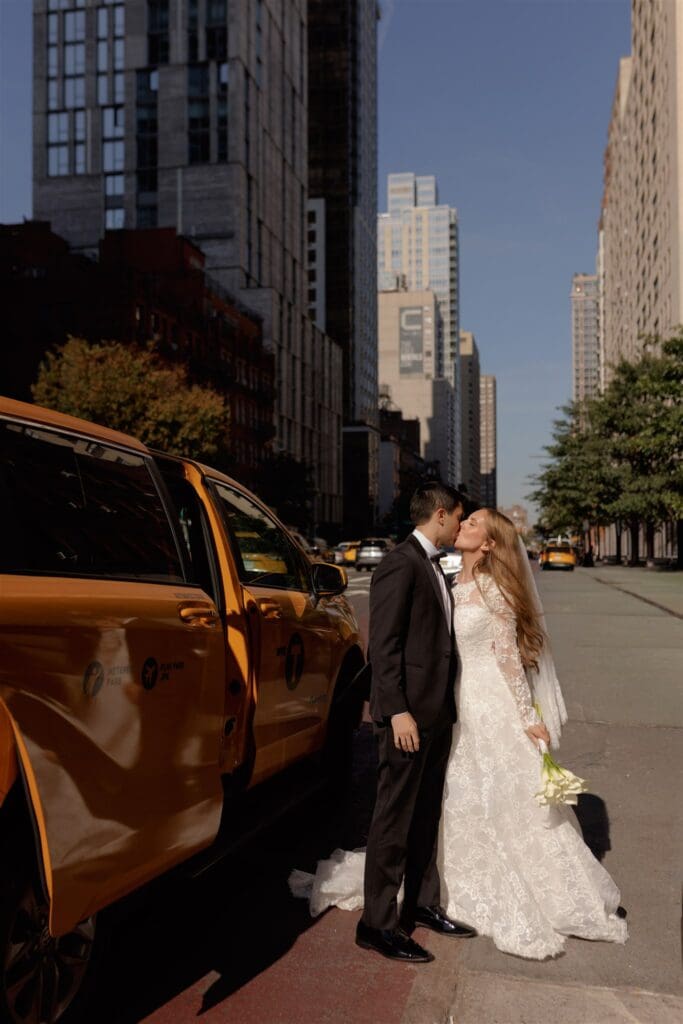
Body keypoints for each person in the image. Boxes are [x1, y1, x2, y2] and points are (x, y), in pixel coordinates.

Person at [290, 508, 627, 961]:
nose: (462, 526)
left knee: (500, 798)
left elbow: (508, 659)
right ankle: (423, 896)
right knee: (449, 798)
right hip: (453, 706)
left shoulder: (496, 588)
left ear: (488, 544)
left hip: (491, 705)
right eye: (462, 520)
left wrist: (528, 716)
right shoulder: (451, 580)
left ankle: (464, 896)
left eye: (472, 524)